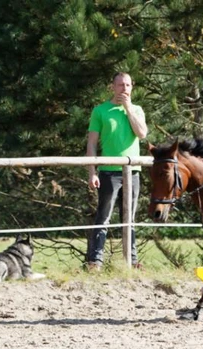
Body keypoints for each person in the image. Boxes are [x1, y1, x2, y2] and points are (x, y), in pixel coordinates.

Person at [86, 72, 148, 271]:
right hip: (108, 172)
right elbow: (92, 144)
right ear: (112, 87)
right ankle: (95, 260)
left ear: (132, 87)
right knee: (103, 216)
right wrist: (92, 172)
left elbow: (142, 134)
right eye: (120, 85)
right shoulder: (100, 111)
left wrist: (128, 109)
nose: (124, 89)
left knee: (129, 218)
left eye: (128, 85)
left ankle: (131, 259)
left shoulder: (137, 109)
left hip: (133, 172)